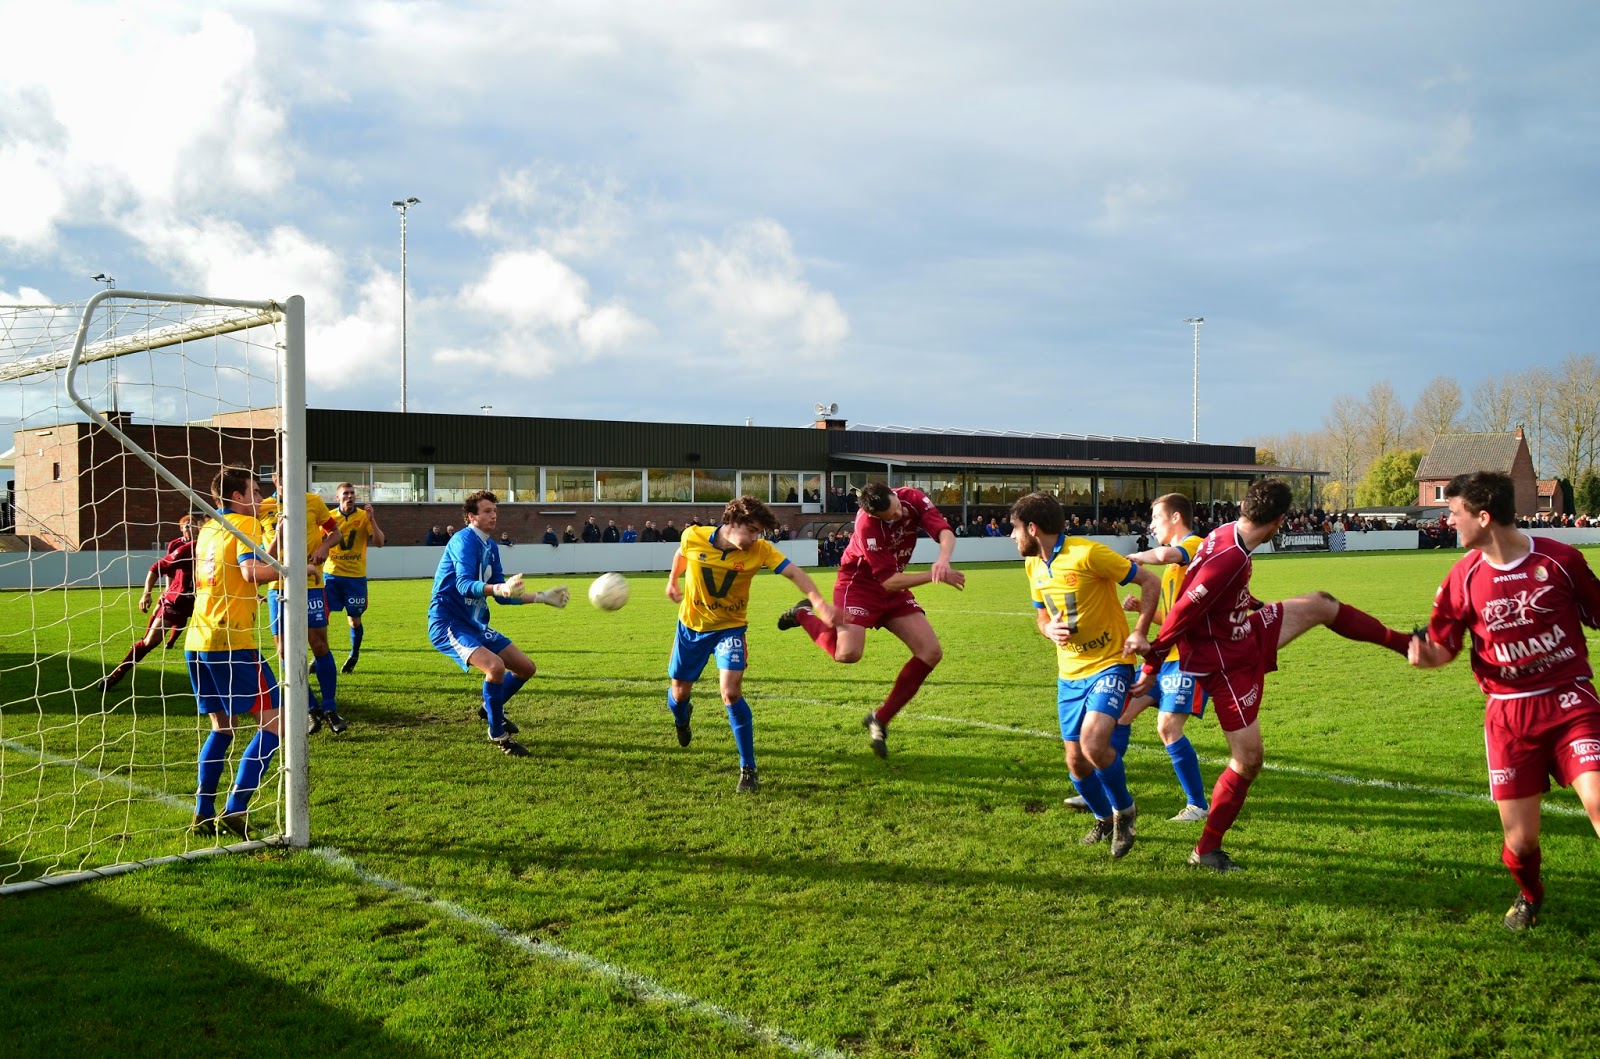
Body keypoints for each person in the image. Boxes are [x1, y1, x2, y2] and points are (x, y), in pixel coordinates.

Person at [1133, 478, 1413, 871]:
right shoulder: (1230, 554)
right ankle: (1206, 850)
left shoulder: (1225, 534)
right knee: (1248, 760)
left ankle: (1409, 646)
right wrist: (1150, 665)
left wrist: (1253, 603)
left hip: (1241, 630)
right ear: (1280, 521)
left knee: (1320, 603)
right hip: (1223, 659)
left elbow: (1217, 593)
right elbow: (1183, 610)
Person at [1408, 471, 1600, 930]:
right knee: (1521, 842)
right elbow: (1443, 648)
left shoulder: (1560, 561)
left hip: (1570, 701)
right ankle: (1530, 894)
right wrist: (1423, 654)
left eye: (1454, 513)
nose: (1450, 522)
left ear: (1484, 516)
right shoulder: (1463, 577)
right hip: (1509, 718)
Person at [1011, 492, 1160, 858]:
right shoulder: (1034, 566)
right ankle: (1102, 818)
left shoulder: (1089, 553)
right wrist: (1049, 630)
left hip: (1110, 663)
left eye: (1015, 529)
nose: (1012, 537)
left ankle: (1124, 812)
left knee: (1094, 744)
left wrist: (1139, 632)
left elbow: (1151, 582)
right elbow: (1042, 616)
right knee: (1075, 763)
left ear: (1032, 528)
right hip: (1069, 673)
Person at [778, 480, 964, 758]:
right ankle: (803, 613)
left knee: (930, 652)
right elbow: (889, 581)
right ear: (875, 515)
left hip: (893, 586)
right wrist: (934, 575)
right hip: (859, 585)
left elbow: (944, 531)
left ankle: (880, 718)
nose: (899, 515)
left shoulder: (911, 497)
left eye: (897, 507)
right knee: (848, 654)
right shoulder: (866, 524)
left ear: (894, 494)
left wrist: (943, 560)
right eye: (890, 516)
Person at [664, 496, 839, 791]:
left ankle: (748, 767)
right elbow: (682, 554)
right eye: (754, 530)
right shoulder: (692, 535)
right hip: (691, 628)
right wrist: (673, 580)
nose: (756, 538)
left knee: (730, 693)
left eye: (759, 533)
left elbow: (796, 573)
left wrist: (819, 602)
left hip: (730, 629)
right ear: (733, 522)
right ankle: (682, 719)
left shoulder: (760, 551)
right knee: (679, 695)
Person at [185, 468, 291, 838]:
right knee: (277, 725)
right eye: (255, 492)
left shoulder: (208, 529)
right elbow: (250, 573)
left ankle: (202, 810)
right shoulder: (244, 524)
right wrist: (292, 571)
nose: (260, 499)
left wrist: (275, 547)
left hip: (198, 639)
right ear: (237, 497)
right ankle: (236, 808)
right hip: (233, 641)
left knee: (222, 727)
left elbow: (238, 569)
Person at [1100, 493, 1214, 822]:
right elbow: (1173, 616)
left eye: (1155, 519)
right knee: (1121, 714)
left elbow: (1166, 554)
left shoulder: (1196, 545)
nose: (1151, 526)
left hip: (1189, 660)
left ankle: (1197, 805)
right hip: (1165, 658)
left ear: (1175, 518)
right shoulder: (1174, 568)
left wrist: (1135, 558)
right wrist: (1144, 611)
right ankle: (1104, 789)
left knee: (1167, 728)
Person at [429, 490, 569, 756]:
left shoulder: (491, 546)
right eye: (487, 511)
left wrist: (542, 597)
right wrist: (498, 589)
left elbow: (505, 595)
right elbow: (464, 585)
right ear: (471, 517)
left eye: (495, 511)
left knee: (526, 668)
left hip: (475, 623)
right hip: (449, 622)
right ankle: (498, 734)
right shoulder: (463, 541)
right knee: (495, 667)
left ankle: (489, 707)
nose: (493, 516)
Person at [258, 473, 341, 733]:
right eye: (285, 479)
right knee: (284, 652)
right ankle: (309, 708)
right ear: (275, 480)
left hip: (311, 585)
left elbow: (335, 532)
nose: (291, 484)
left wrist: (326, 546)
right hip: (278, 587)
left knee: (319, 645)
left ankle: (330, 707)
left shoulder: (313, 501)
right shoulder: (262, 509)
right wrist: (276, 540)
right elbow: (257, 554)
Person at [102, 515, 199, 692]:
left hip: (205, 602)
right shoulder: (187, 548)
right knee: (151, 640)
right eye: (189, 526)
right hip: (178, 598)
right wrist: (147, 593)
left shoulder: (220, 548)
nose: (193, 529)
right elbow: (157, 568)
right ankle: (118, 673)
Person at [323, 482, 385, 675]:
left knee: (354, 621)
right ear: (337, 497)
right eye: (346, 493)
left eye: (352, 493)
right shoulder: (329, 517)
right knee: (321, 619)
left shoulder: (363, 516)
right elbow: (317, 542)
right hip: (331, 575)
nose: (350, 496)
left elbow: (380, 543)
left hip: (355, 578)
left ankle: (354, 654)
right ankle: (320, 656)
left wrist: (372, 519)